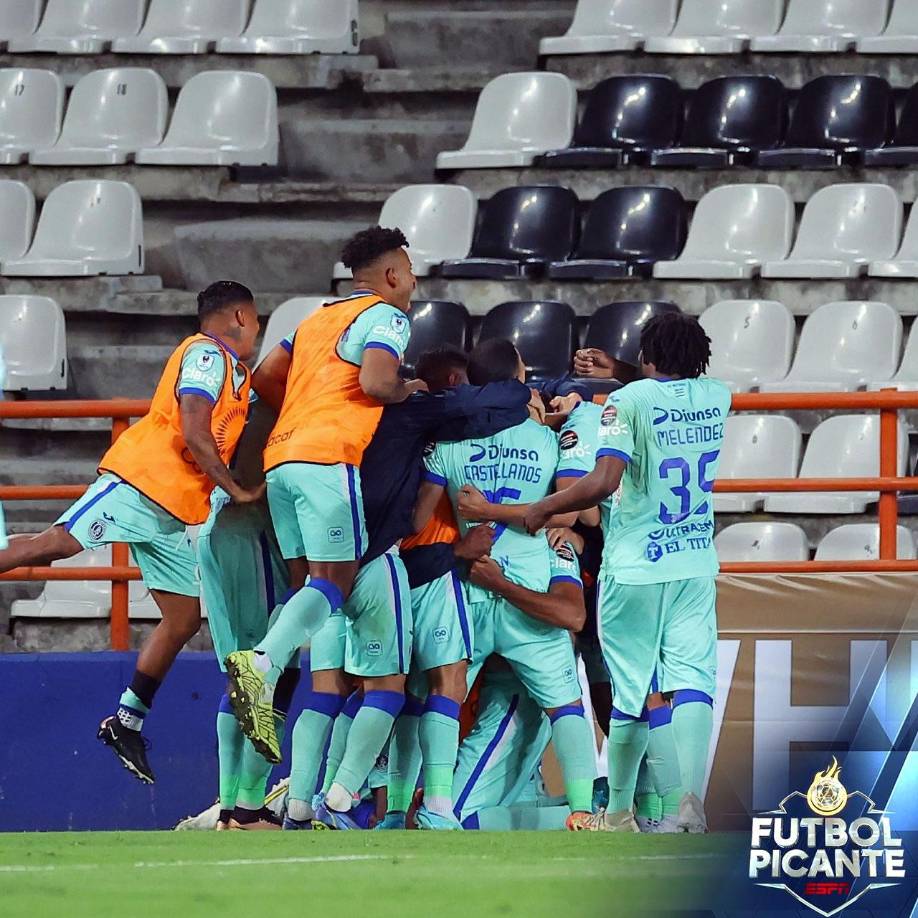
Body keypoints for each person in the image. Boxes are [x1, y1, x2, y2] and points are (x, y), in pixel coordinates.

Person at [0, 281, 263, 784]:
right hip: (140, 484)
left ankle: (126, 722)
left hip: (171, 510)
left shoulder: (237, 373)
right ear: (237, 316)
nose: (256, 330)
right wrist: (234, 488)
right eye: (254, 320)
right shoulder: (206, 355)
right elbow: (194, 430)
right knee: (56, 544)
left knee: (183, 619)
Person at [282, 345, 530, 829]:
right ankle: (368, 801)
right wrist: (455, 552)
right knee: (409, 688)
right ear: (454, 383)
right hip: (397, 569)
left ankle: (303, 802)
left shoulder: (344, 417)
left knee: (330, 691)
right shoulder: (428, 423)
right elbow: (417, 519)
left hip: (330, 561)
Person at [225, 227, 426, 764]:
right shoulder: (388, 317)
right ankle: (261, 665)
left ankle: (262, 678)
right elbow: (377, 383)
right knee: (337, 579)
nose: (414, 282)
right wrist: (409, 389)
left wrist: (302, 412)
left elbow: (265, 377)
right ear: (391, 275)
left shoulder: (315, 319)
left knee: (306, 586)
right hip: (327, 458)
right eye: (410, 272)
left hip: (282, 458)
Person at [523, 312, 731, 833]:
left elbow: (603, 481)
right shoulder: (717, 395)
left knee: (632, 692)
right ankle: (689, 800)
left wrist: (544, 507)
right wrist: (619, 368)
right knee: (693, 682)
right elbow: (670, 386)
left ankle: (617, 811)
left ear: (647, 356)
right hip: (694, 562)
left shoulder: (627, 401)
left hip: (635, 565)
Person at [412, 338, 599, 831]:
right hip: (532, 585)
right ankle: (582, 810)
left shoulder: (446, 447)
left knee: (444, 692)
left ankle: (435, 807)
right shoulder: (547, 439)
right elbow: (569, 512)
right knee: (565, 704)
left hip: (470, 586)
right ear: (518, 380)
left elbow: (416, 520)